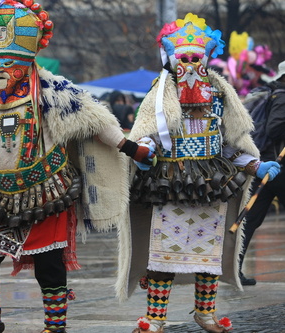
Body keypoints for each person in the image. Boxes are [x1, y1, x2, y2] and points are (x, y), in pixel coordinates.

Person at [0, 1, 155, 333]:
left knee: (49, 264)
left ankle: (55, 325)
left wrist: (129, 147)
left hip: (46, 190)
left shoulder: (50, 88)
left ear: (27, 60)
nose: (2, 70)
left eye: (10, 62)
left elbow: (93, 118)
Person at [118, 13, 281, 333]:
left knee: (208, 253)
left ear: (206, 59)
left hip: (212, 184)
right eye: (184, 58)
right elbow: (147, 133)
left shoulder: (220, 95)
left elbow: (227, 144)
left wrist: (254, 164)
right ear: (172, 59)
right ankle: (155, 319)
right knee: (162, 256)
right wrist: (143, 154)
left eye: (196, 58)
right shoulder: (160, 93)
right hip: (169, 183)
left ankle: (205, 313)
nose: (190, 64)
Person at [238, 60, 285, 286]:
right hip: (277, 167)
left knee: (250, 220)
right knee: (250, 219)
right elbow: (275, 128)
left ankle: (234, 268)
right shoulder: (282, 96)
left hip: (265, 165)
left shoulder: (271, 93)